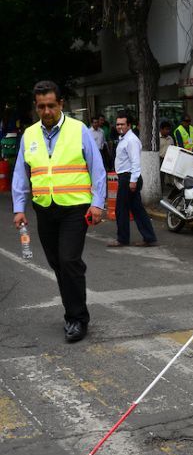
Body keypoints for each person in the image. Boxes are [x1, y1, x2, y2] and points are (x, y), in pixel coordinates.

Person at [10, 80, 107, 342]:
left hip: (75, 207)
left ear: (61, 104)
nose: (47, 111)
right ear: (36, 107)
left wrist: (97, 203)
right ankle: (73, 298)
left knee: (67, 260)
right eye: (41, 106)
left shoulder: (79, 130)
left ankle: (77, 318)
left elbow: (96, 168)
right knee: (59, 264)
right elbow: (21, 173)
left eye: (51, 105)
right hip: (44, 208)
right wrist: (19, 207)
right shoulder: (29, 135)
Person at [107, 112, 157, 248]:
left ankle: (122, 239)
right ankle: (149, 237)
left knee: (121, 209)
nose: (119, 127)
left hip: (129, 178)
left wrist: (133, 181)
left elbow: (135, 162)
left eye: (122, 124)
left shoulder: (131, 140)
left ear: (129, 125)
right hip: (126, 177)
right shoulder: (124, 138)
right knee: (137, 209)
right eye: (117, 124)